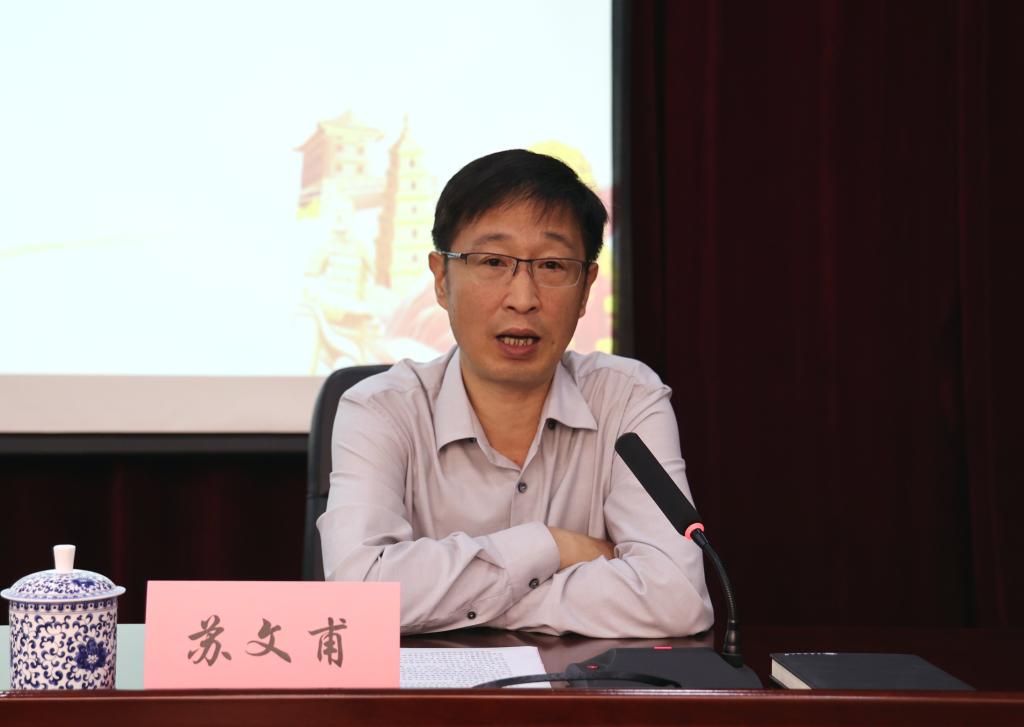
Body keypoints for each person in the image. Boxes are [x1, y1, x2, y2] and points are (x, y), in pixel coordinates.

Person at [317, 149, 713, 637]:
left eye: (552, 265)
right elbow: (358, 598)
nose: (523, 299)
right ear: (441, 279)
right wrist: (551, 546)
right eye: (493, 261)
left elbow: (678, 597)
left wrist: (455, 605)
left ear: (586, 288)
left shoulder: (628, 399)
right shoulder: (380, 409)